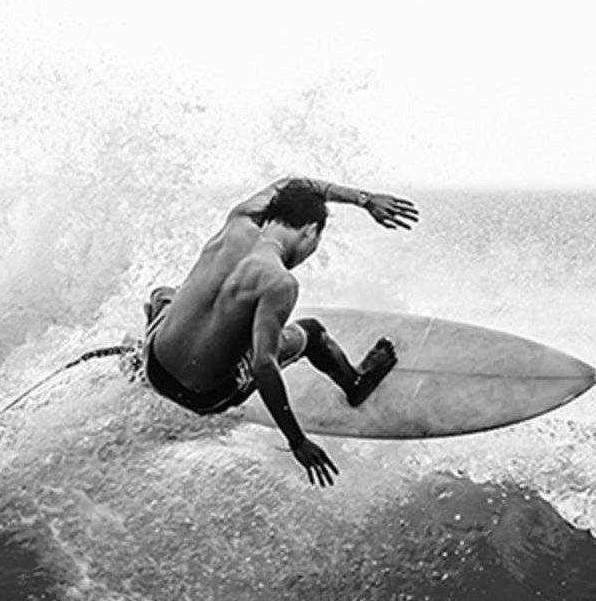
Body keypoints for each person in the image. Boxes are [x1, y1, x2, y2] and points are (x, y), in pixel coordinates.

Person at [140, 176, 419, 486]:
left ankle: (138, 366)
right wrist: (297, 440)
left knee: (164, 295)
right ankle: (354, 383)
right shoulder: (279, 282)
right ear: (310, 232)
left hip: (155, 368)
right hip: (205, 396)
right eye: (315, 242)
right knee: (310, 332)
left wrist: (365, 200)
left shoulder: (239, 220)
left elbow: (292, 182)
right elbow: (263, 365)